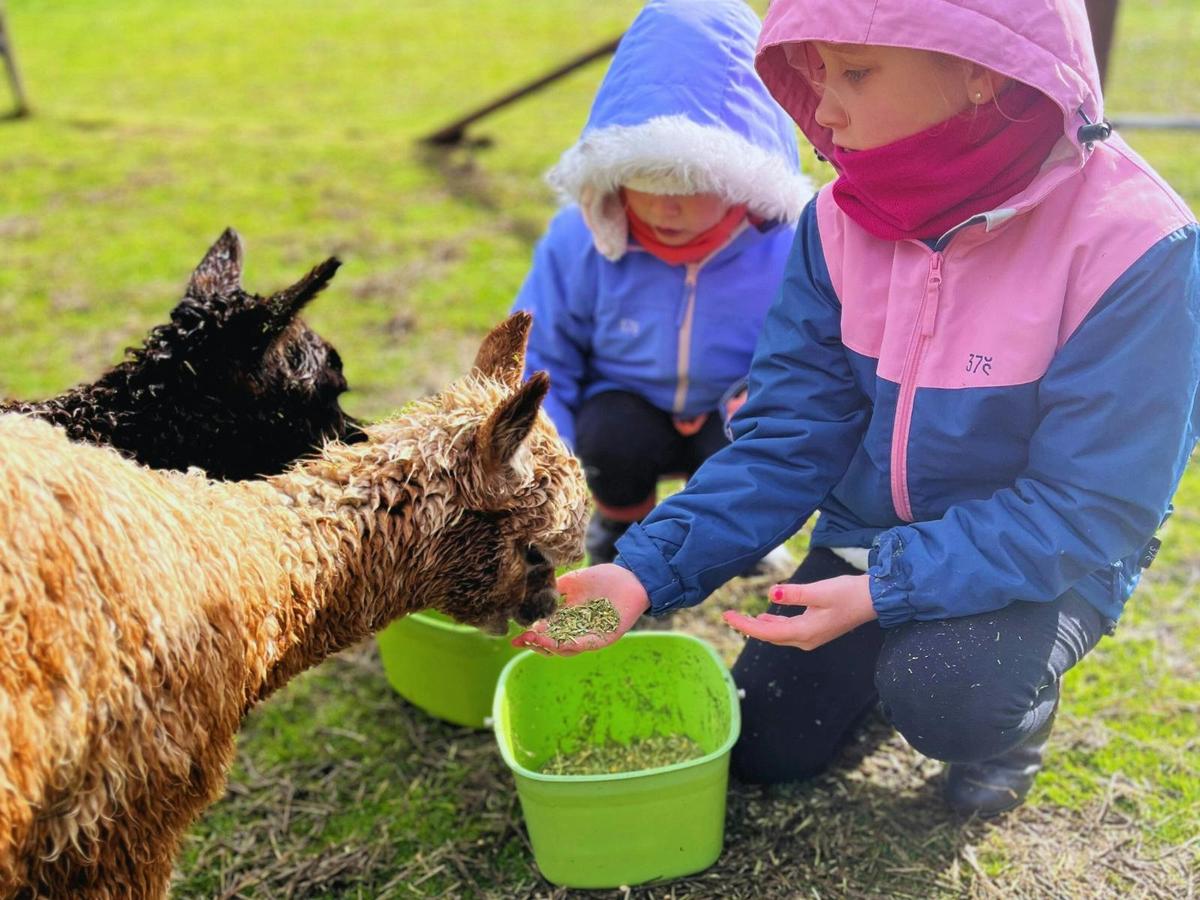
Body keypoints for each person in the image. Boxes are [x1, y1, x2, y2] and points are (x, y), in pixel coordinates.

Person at [516, 0, 1200, 817]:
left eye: (856, 73)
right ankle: (896, 650)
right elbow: (785, 441)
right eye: (818, 74)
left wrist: (885, 590)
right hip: (869, 541)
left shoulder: (1137, 248)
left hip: (1042, 564)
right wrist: (641, 570)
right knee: (767, 746)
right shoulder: (838, 219)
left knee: (951, 696)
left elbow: (1090, 506)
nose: (825, 109)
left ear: (979, 70)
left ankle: (1013, 712)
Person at [512, 0, 812, 571]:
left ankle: (733, 536)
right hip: (627, 403)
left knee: (745, 446)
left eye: (692, 183)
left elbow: (809, 352)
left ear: (741, 174)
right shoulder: (580, 240)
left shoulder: (788, 245)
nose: (665, 206)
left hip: (735, 404)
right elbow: (542, 352)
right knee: (610, 436)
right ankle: (621, 524)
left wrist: (766, 396)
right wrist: (547, 461)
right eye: (644, 181)